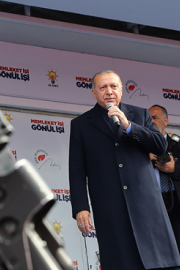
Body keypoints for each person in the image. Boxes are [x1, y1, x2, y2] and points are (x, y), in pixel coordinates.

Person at [69, 70, 180, 270]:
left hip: (147, 207)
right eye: (103, 87)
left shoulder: (140, 114)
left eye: (113, 86)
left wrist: (129, 126)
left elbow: (159, 146)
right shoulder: (81, 125)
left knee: (162, 264)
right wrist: (80, 208)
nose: (109, 91)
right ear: (94, 93)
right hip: (110, 209)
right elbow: (76, 170)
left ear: (121, 89)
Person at [149, 104, 180, 251]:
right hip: (152, 204)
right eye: (148, 119)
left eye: (155, 117)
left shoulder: (177, 144)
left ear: (165, 121)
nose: (152, 121)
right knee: (159, 249)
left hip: (176, 202)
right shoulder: (139, 149)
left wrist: (175, 168)